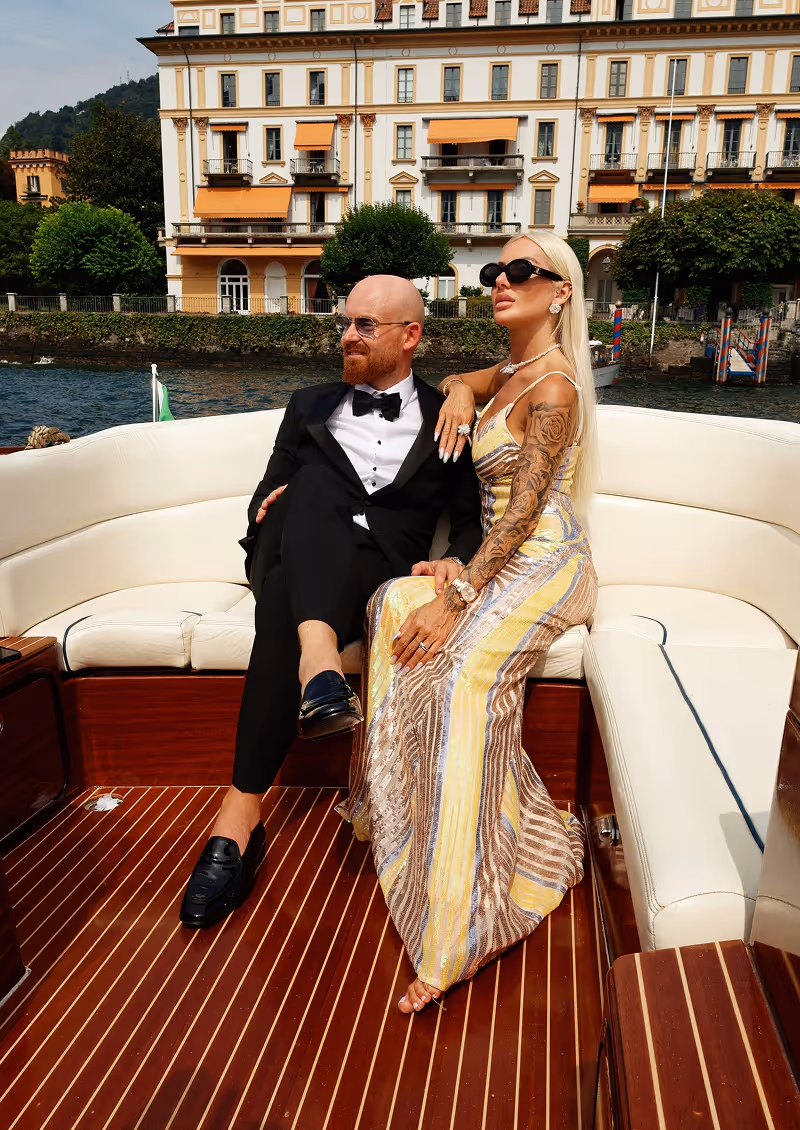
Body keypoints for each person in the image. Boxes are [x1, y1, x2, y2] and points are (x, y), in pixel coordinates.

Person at [338, 232, 599, 1013]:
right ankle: (397, 812)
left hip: (547, 564)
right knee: (390, 607)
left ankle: (461, 929)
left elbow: (522, 513)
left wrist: (460, 590)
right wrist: (457, 385)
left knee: (461, 675)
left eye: (524, 272)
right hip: (497, 560)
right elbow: (470, 378)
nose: (502, 281)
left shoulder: (554, 391)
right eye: (495, 271)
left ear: (561, 292)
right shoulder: (512, 370)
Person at [180, 275, 483, 928]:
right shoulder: (309, 403)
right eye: (346, 322)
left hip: (372, 577)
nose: (348, 334)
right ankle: (319, 661)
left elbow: (467, 525)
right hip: (292, 548)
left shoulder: (447, 416)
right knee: (308, 484)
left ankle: (239, 818)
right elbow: (266, 493)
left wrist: (453, 568)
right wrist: (268, 509)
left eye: (366, 324)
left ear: (411, 335)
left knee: (289, 599)